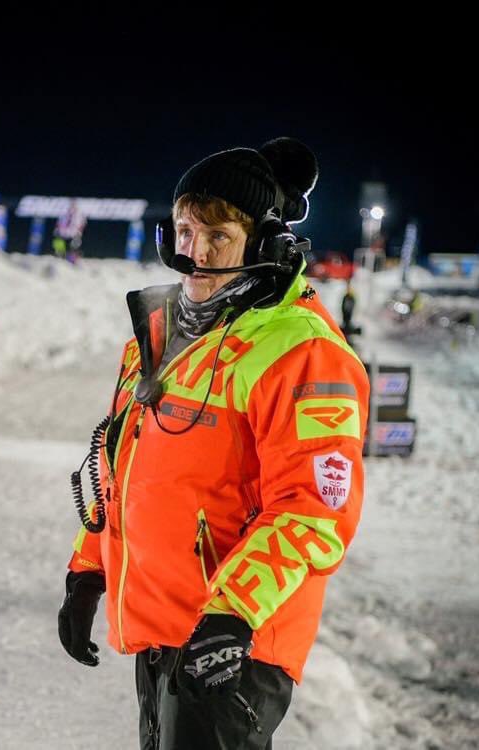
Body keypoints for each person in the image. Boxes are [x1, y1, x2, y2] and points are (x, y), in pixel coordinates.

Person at [58, 137, 370, 749]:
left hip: (235, 641)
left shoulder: (301, 351)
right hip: (162, 625)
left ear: (265, 245)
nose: (193, 257)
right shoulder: (161, 333)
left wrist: (233, 612)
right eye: (183, 233)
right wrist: (88, 567)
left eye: (217, 238)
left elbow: (314, 508)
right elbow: (125, 465)